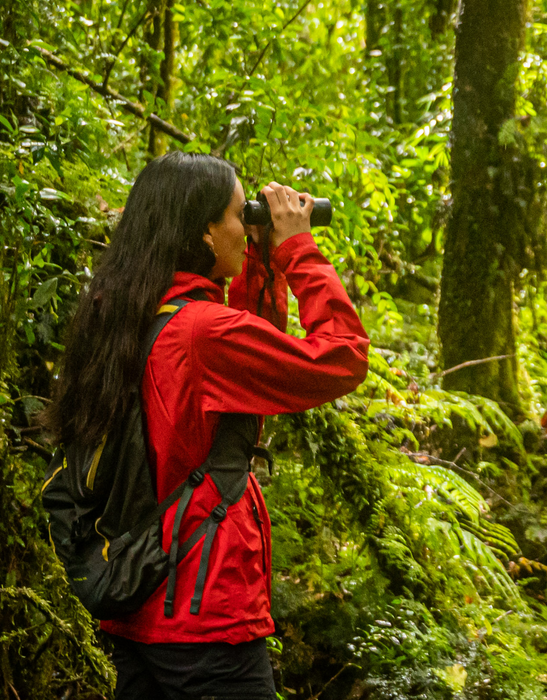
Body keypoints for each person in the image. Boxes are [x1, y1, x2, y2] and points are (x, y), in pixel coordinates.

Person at [46, 152, 369, 699]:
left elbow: (247, 379)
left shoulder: (124, 312)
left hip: (133, 599)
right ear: (203, 232)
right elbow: (341, 358)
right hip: (204, 619)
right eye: (242, 215)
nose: (249, 227)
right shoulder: (202, 336)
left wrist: (262, 266)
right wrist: (297, 250)